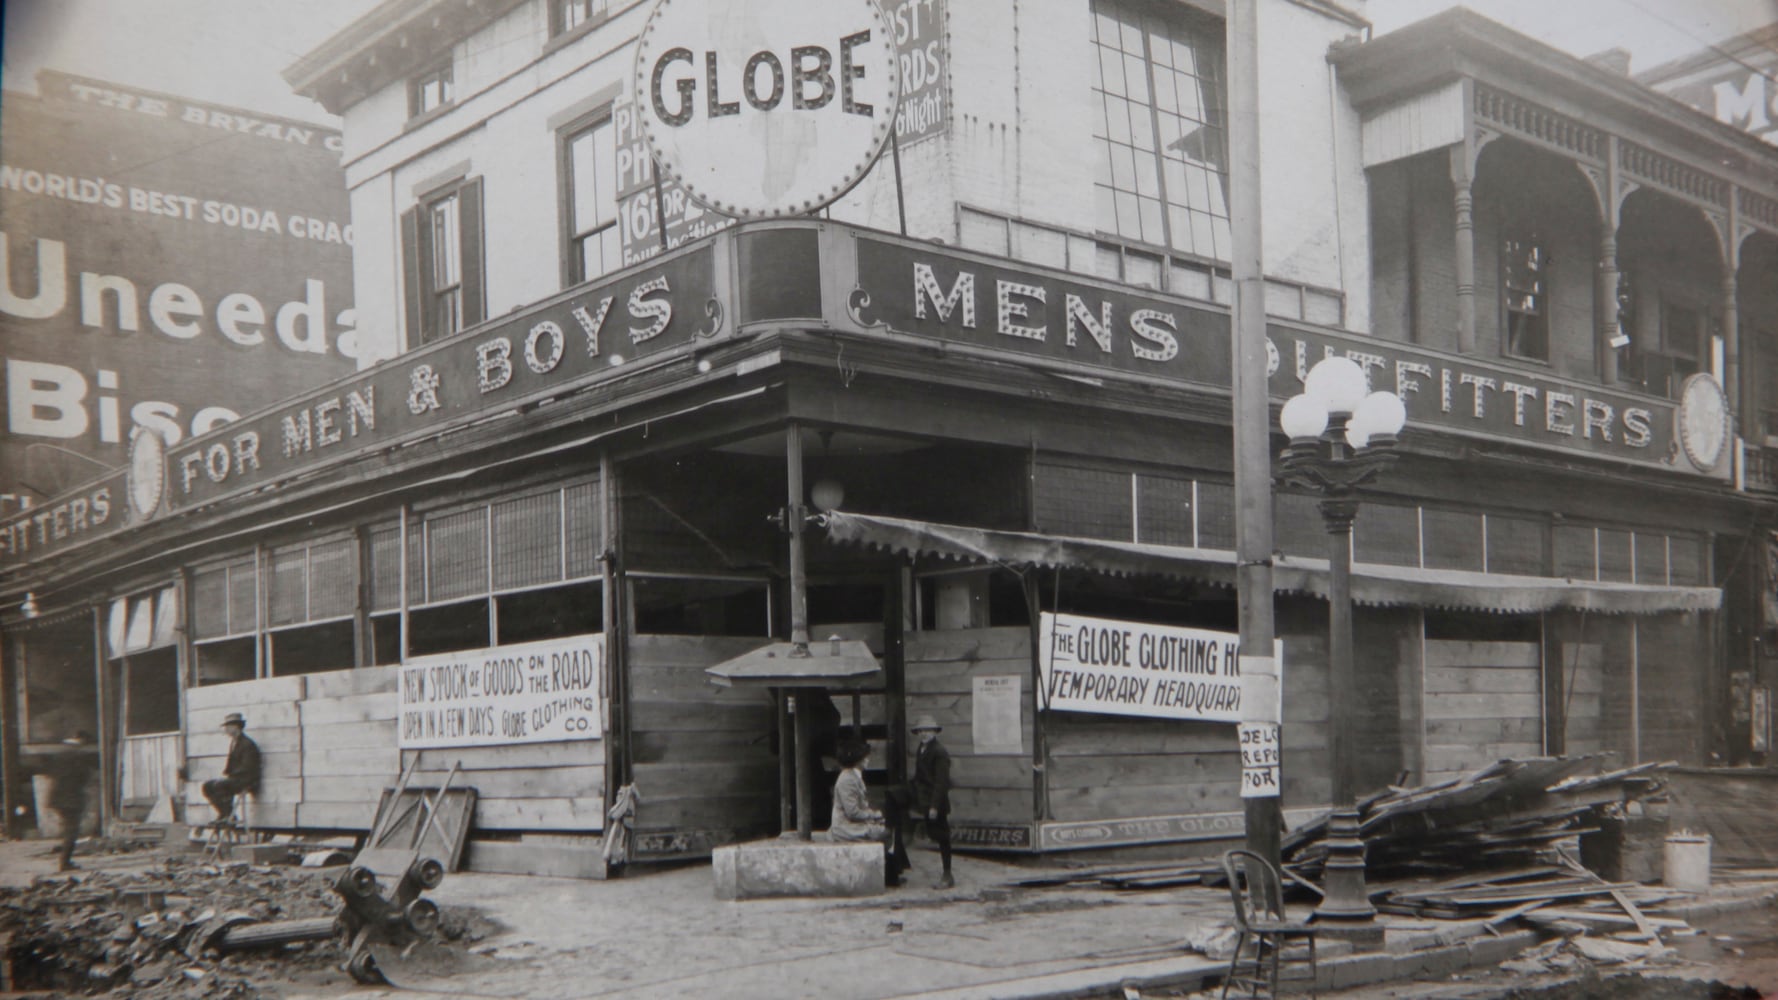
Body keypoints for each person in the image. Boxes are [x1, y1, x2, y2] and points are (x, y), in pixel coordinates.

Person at [828, 740, 904, 887]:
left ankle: (892, 873)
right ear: (857, 760)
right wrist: (873, 815)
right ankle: (889, 877)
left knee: (889, 827)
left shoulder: (854, 776)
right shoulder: (847, 780)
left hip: (853, 823)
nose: (867, 760)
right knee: (886, 832)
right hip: (846, 827)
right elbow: (852, 812)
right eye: (865, 758)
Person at [29, 731, 98, 872]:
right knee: (72, 831)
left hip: (58, 798)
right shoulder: (77, 757)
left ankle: (65, 860)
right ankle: (65, 863)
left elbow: (50, 774)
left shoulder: (60, 755)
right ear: (81, 742)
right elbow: (83, 776)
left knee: (69, 830)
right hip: (71, 799)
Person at [910, 714, 954, 889]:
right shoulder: (922, 748)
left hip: (936, 800)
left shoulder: (939, 752)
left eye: (928, 730)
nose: (924, 734)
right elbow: (920, 776)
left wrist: (934, 806)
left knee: (942, 836)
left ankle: (947, 874)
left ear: (935, 732)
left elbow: (941, 782)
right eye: (921, 730)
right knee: (932, 832)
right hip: (923, 797)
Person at [203, 712, 261, 826]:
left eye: (228, 727)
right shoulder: (234, 742)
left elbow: (247, 767)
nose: (226, 730)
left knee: (220, 785)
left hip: (247, 780)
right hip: (236, 778)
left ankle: (229, 816)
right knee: (207, 786)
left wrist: (230, 776)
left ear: (236, 727)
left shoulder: (247, 744)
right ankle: (225, 814)